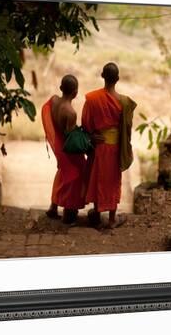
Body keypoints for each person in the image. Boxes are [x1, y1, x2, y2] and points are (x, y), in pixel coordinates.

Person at [82, 62, 137, 228]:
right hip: (115, 149)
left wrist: (92, 135)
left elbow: (85, 123)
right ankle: (112, 219)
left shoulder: (92, 99)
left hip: (99, 147)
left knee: (98, 177)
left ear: (102, 76)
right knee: (113, 181)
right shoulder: (124, 102)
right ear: (118, 79)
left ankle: (97, 215)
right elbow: (127, 128)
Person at [41, 75, 86, 224]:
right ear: (75, 93)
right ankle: (69, 213)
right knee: (75, 175)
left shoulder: (53, 100)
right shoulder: (71, 113)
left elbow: (46, 111)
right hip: (67, 148)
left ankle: (53, 207)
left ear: (61, 88)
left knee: (62, 173)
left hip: (59, 146)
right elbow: (71, 137)